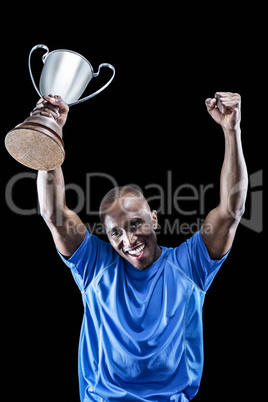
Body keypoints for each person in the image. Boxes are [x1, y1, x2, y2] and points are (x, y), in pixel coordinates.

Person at [32, 92, 248, 401]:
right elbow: (54, 214)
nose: (128, 240)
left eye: (135, 224)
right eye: (115, 233)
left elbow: (231, 212)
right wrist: (50, 131)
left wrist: (232, 130)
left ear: (155, 219)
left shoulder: (188, 265)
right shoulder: (96, 265)